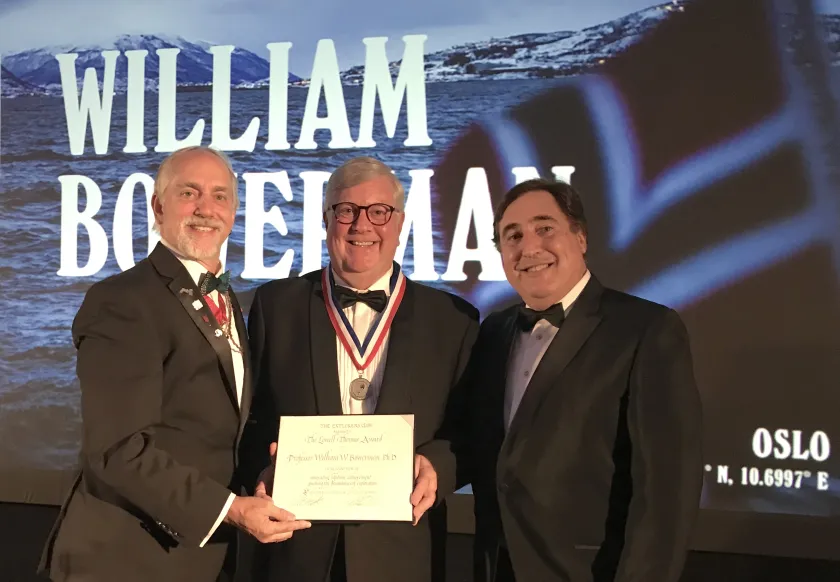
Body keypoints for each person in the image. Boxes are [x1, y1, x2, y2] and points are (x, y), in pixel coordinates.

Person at [38, 146, 310, 582]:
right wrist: (230, 510)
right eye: (190, 193)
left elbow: (218, 429)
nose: (206, 208)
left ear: (234, 211)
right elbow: (116, 450)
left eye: (220, 196)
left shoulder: (228, 301)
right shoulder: (123, 301)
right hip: (125, 557)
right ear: (158, 205)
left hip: (199, 556)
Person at [240, 156, 479, 582]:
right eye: (346, 210)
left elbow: (472, 430)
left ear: (400, 221)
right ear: (326, 219)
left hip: (404, 550)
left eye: (378, 212)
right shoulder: (275, 307)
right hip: (297, 545)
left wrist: (439, 465)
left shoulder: (453, 319)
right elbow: (249, 418)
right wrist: (264, 467)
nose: (361, 225)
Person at [460, 178, 703, 582]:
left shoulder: (646, 329)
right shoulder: (494, 332)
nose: (529, 247)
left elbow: (667, 496)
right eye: (512, 235)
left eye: (545, 228)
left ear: (582, 237)